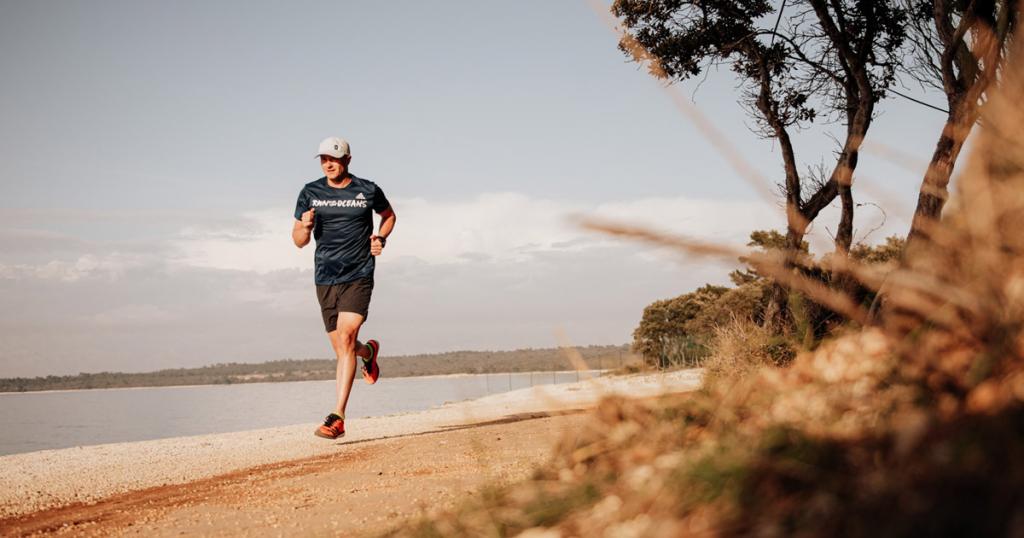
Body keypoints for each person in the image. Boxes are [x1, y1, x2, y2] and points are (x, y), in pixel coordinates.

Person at [292, 136, 396, 439]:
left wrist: (381, 238)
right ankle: (369, 352)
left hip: (359, 272)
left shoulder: (367, 189)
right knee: (344, 348)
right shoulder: (309, 192)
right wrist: (306, 226)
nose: (328, 164)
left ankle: (337, 416)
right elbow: (298, 241)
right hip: (325, 276)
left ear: (347, 160)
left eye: (334, 159)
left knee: (347, 336)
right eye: (323, 158)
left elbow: (388, 216)